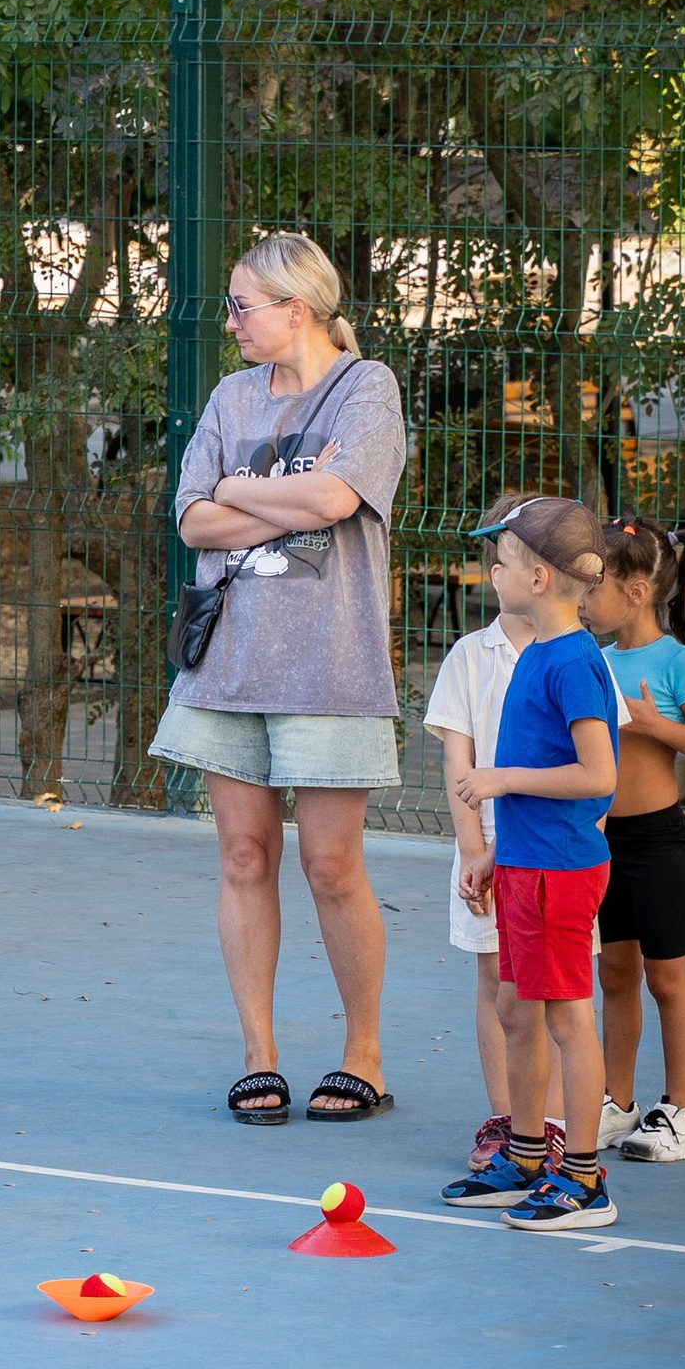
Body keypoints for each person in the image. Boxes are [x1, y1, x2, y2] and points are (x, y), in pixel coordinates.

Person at [150, 232, 407, 1125]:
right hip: (228, 668)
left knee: (331, 866)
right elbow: (191, 520)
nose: (229, 322)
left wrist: (236, 488)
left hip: (331, 670)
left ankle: (363, 1055)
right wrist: (270, 501)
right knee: (244, 857)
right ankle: (258, 1057)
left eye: (241, 306)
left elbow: (337, 501)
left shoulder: (366, 389)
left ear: (296, 308)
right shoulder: (231, 396)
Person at [442, 496, 620, 1229]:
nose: (493, 573)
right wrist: (495, 854)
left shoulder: (573, 662)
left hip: (560, 872)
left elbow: (599, 775)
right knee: (516, 1009)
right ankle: (522, 1156)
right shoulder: (538, 653)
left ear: (540, 578)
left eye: (505, 561)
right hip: (524, 864)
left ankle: (582, 1177)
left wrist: (501, 780)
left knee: (569, 1019)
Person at [582, 516, 685, 1162]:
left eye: (594, 586)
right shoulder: (595, 659)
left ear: (636, 592)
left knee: (667, 978)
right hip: (603, 841)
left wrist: (652, 724)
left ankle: (682, 1112)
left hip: (658, 841)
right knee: (615, 973)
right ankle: (618, 1103)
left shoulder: (676, 661)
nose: (583, 599)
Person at [421, 503, 536, 1175]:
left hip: (555, 848)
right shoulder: (469, 656)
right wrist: (472, 852)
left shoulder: (579, 657)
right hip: (487, 845)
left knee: (553, 988)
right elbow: (457, 763)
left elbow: (597, 771)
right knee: (496, 980)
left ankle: (554, 1124)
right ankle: (507, 1120)